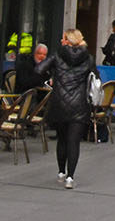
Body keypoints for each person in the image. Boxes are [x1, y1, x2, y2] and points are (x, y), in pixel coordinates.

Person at [35, 29, 97, 189]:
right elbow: (96, 78)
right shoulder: (88, 58)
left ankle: (61, 172)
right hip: (79, 106)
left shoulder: (57, 56)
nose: (61, 41)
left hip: (60, 104)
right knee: (74, 142)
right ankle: (71, 177)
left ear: (69, 41)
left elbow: (38, 70)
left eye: (63, 38)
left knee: (62, 139)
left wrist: (53, 77)